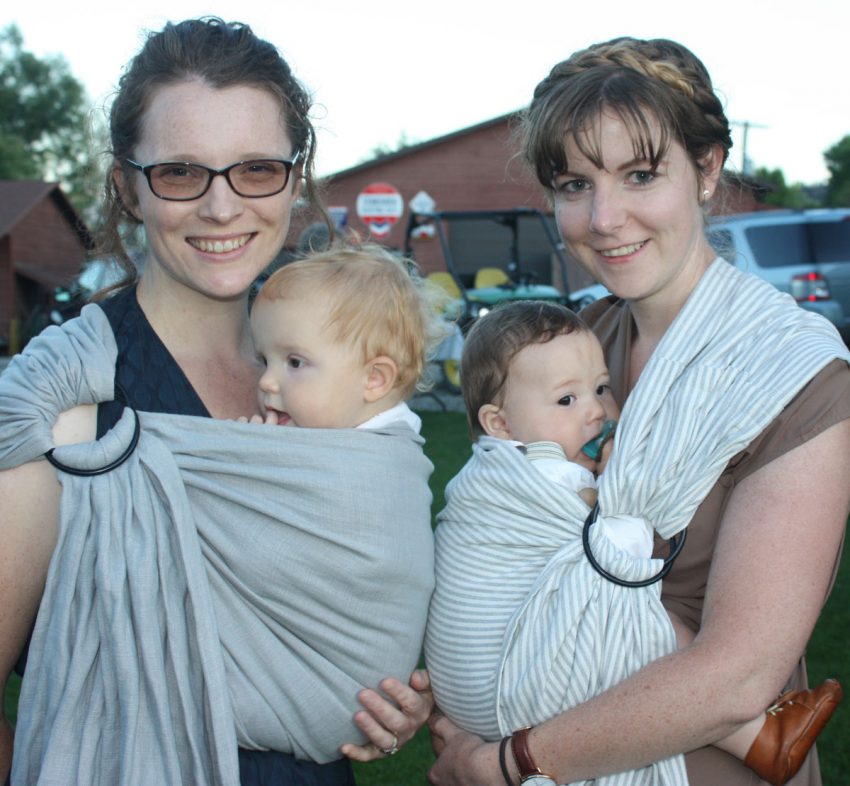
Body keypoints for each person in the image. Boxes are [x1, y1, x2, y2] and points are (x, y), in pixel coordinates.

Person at [0, 17, 432, 786]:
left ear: (295, 180)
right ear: (127, 185)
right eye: (180, 173)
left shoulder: (334, 373)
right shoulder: (65, 397)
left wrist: (378, 698)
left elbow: (359, 588)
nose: (223, 206)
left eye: (256, 169)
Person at [426, 36, 850, 786]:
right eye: (573, 183)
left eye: (640, 174)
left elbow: (738, 678)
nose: (605, 216)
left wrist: (511, 760)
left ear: (708, 168)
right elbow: (497, 541)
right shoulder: (568, 347)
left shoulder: (796, 370)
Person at [425, 299, 842, 785]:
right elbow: (620, 556)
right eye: (566, 400)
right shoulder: (549, 474)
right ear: (500, 424)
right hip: (520, 680)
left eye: (601, 389)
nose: (597, 411)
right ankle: (756, 733)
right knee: (640, 614)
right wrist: (621, 485)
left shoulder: (484, 472)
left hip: (469, 698)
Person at [243, 243, 447, 431]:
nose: (266, 381)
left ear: (374, 379)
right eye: (264, 361)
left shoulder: (374, 458)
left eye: (295, 362)